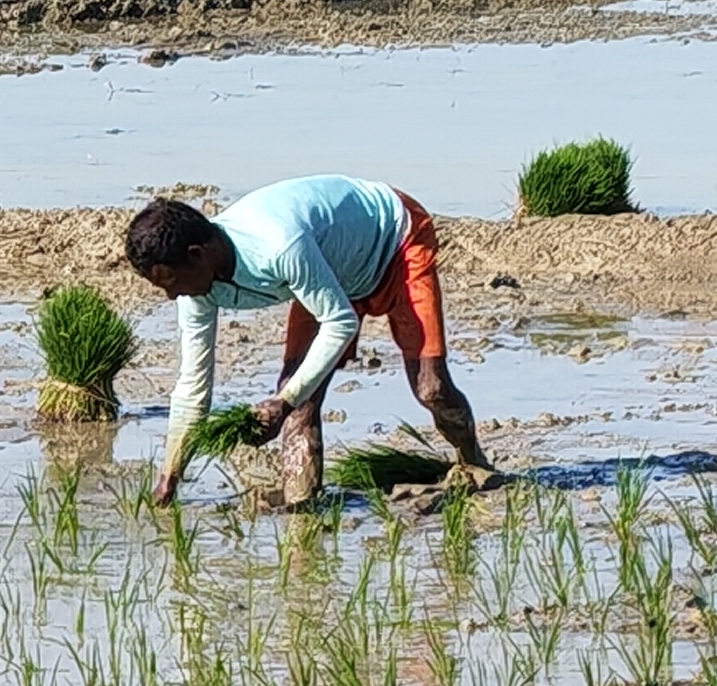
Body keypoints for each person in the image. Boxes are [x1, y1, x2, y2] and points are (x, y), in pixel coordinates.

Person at [125, 180, 493, 509]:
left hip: (394, 241)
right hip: (329, 271)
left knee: (432, 387)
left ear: (197, 255)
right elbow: (192, 387)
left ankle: (476, 466)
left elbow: (340, 322)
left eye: (170, 282)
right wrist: (169, 478)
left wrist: (282, 403)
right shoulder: (196, 290)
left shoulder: (279, 247)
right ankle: (302, 510)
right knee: (299, 397)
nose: (171, 296)